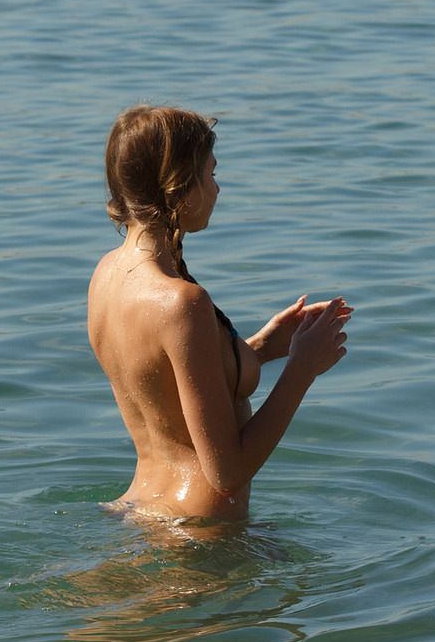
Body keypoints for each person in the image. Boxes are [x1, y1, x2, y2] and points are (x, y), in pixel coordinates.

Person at [88, 106, 351, 522]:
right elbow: (226, 473)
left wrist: (258, 349)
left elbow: (166, 382)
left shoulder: (105, 276)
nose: (217, 188)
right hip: (198, 529)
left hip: (138, 511)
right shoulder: (182, 303)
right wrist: (303, 368)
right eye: (210, 174)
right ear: (181, 187)